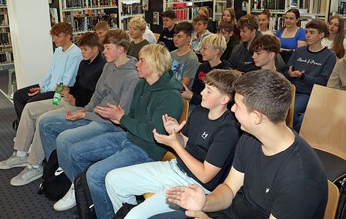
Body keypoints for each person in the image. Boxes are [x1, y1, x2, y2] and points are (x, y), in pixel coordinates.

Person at [159, 70, 328, 219]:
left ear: (257, 117)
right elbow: (229, 189)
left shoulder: (300, 179)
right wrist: (205, 202)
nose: (232, 110)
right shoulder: (250, 137)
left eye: (237, 106)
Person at [44, 44, 184, 218]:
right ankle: (92, 197)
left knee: (95, 175)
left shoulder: (171, 96)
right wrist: (118, 117)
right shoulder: (142, 85)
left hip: (147, 149)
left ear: (155, 64)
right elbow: (131, 117)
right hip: (129, 137)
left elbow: (154, 134)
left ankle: (107, 212)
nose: (136, 65)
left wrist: (122, 118)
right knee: (74, 151)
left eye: (141, 61)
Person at [106, 69, 241, 219]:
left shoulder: (228, 131)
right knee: (113, 180)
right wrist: (175, 134)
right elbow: (186, 142)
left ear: (224, 99)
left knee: (135, 216)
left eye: (209, 91)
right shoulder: (200, 112)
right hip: (175, 168)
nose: (202, 93)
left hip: (193, 185)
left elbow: (205, 176)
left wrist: (174, 144)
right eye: (204, 88)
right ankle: (127, 213)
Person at [0, 32, 105, 187]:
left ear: (96, 49)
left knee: (43, 119)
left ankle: (35, 165)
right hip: (68, 98)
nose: (82, 52)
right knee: (29, 108)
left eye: (85, 50)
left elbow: (95, 95)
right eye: (82, 49)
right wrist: (69, 90)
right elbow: (78, 86)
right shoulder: (84, 63)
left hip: (80, 106)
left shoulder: (102, 67)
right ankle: (21, 153)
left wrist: (76, 98)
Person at [39, 28, 139, 182]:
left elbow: (119, 117)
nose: (103, 51)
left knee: (64, 139)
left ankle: (76, 184)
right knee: (45, 123)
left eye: (107, 48)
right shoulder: (109, 66)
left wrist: (85, 114)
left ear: (120, 50)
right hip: (94, 115)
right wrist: (84, 110)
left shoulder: (131, 77)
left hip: (108, 123)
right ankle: (57, 168)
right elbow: (97, 94)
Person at [12, 22, 82, 122]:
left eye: (58, 36)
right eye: (53, 36)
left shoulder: (75, 54)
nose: (54, 39)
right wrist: (41, 87)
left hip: (59, 91)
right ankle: (23, 126)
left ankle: (28, 129)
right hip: (50, 87)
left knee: (30, 103)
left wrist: (44, 90)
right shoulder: (58, 51)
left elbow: (66, 83)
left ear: (68, 36)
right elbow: (50, 73)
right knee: (18, 95)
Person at [285, 19, 336, 133]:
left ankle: (294, 137)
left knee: (292, 112)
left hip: (308, 93)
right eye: (306, 32)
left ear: (321, 35)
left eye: (311, 32)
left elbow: (323, 82)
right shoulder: (299, 51)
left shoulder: (329, 56)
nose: (307, 35)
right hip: (290, 90)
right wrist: (291, 74)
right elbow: (287, 71)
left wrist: (302, 77)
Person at [182, 34, 231, 111]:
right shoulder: (202, 67)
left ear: (216, 51)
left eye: (204, 49)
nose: (201, 51)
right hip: (197, 103)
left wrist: (192, 97)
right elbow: (195, 89)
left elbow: (216, 101)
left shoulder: (225, 71)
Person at [170, 21, 199, 88]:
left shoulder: (191, 58)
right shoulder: (171, 54)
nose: (175, 39)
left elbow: (183, 85)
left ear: (188, 38)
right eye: (174, 36)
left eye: (179, 37)